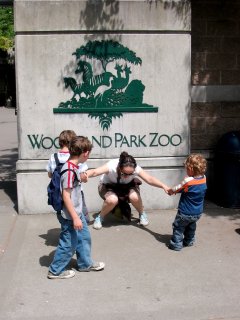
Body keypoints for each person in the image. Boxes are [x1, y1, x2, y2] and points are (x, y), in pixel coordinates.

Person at [47, 136, 105, 279]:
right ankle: (55, 271)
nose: (89, 156)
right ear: (85, 153)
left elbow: (77, 179)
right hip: (70, 215)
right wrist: (74, 218)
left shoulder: (73, 168)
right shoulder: (68, 171)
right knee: (68, 244)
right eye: (89, 153)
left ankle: (85, 264)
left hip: (76, 212)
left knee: (84, 238)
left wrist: (83, 176)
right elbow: (66, 196)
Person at [86, 151, 170, 230]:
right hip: (108, 186)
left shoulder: (136, 168)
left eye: (131, 174)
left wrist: (163, 186)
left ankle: (142, 214)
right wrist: (84, 175)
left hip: (127, 186)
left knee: (134, 197)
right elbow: (95, 172)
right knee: (112, 200)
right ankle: (100, 217)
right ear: (119, 167)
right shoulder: (111, 166)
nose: (127, 176)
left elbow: (149, 179)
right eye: (124, 173)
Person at [46, 130, 90, 223]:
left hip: (59, 192)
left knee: (64, 217)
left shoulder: (53, 157)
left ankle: (68, 230)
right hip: (76, 193)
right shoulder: (76, 156)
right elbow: (83, 177)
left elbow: (50, 174)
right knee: (82, 216)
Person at [168, 153, 207, 251]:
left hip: (185, 212)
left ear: (190, 169)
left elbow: (177, 189)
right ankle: (189, 241)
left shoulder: (188, 181)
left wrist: (170, 191)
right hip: (198, 212)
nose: (186, 171)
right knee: (191, 226)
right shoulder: (204, 178)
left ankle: (176, 245)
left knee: (178, 227)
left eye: (186, 169)